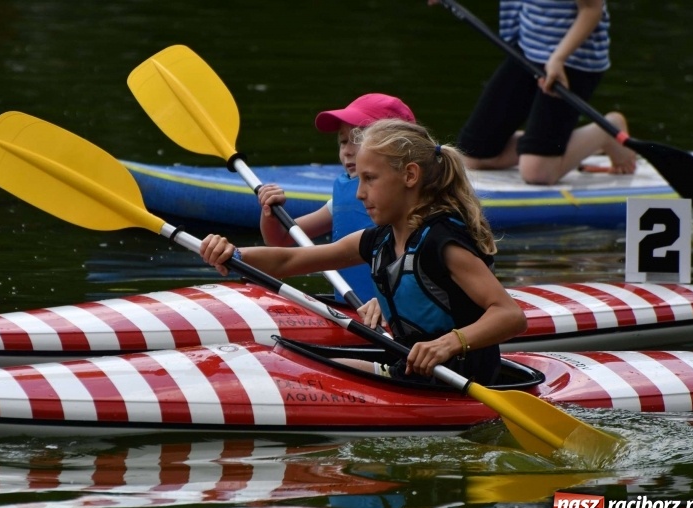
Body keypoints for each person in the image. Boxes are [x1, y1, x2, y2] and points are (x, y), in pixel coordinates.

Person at [201, 119, 528, 385]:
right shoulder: (378, 241)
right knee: (291, 368)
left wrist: (449, 343)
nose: (359, 194)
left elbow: (509, 316)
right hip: (410, 376)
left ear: (409, 176)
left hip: (462, 382)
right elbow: (288, 260)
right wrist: (233, 254)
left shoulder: (442, 244)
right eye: (359, 179)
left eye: (370, 179)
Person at [430, 0, 636, 185]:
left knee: (537, 173)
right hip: (528, 48)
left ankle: (606, 131)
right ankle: (545, 144)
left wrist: (558, 58)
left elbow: (592, 9)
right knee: (472, 155)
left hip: (572, 60)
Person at [256, 93, 416, 305]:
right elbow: (280, 239)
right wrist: (269, 212)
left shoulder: (414, 204)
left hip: (394, 316)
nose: (348, 151)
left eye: (358, 141)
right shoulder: (345, 196)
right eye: (343, 142)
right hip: (352, 310)